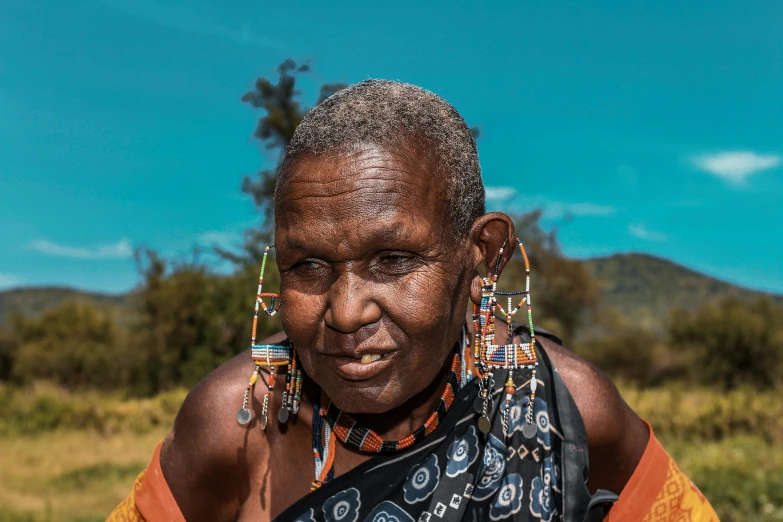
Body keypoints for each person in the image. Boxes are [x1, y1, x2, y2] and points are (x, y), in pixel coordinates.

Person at [108, 80, 718, 522]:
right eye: (309, 266)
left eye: (394, 261)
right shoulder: (231, 427)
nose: (346, 312)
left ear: (483, 255)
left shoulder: (571, 416)